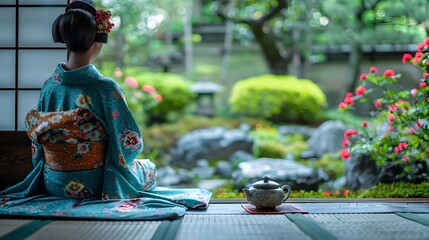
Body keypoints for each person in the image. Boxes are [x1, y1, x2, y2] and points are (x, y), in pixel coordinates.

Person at [0, 0, 210, 220]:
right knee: (149, 168)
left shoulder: (49, 86)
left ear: (66, 41)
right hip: (97, 184)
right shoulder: (105, 88)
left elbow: (38, 145)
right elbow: (128, 143)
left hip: (54, 183)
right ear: (97, 43)